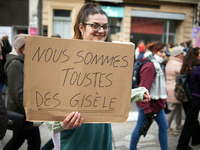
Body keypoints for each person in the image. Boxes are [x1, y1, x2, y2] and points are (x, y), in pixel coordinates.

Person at [45, 3, 151, 150]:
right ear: (82, 27)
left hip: (102, 136)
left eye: (105, 26)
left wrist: (138, 93)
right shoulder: (63, 59)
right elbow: (48, 113)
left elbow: (110, 96)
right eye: (95, 26)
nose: (101, 31)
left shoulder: (108, 59)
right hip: (73, 139)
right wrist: (61, 123)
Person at [3, 34, 41, 150]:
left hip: (20, 111)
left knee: (18, 139)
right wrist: (31, 111)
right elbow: (18, 92)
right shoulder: (15, 64)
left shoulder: (20, 61)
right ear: (21, 48)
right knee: (35, 142)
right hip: (22, 112)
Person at [130, 41, 169, 150]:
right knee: (140, 129)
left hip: (157, 104)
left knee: (164, 127)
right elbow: (143, 90)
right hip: (148, 105)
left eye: (165, 52)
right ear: (154, 51)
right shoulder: (150, 66)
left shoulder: (157, 64)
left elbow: (159, 88)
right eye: (161, 52)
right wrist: (147, 110)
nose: (163, 54)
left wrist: (163, 102)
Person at [177, 47, 200, 150]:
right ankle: (182, 145)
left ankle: (196, 139)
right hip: (195, 99)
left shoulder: (187, 67)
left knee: (192, 121)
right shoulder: (198, 68)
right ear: (196, 56)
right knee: (189, 123)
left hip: (186, 97)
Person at [165, 47, 184, 135]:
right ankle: (167, 128)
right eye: (181, 53)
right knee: (172, 110)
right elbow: (183, 72)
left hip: (170, 86)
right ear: (177, 54)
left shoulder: (170, 61)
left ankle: (178, 125)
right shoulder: (177, 63)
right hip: (175, 88)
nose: (183, 55)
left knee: (178, 108)